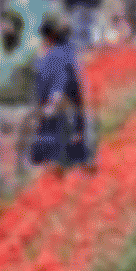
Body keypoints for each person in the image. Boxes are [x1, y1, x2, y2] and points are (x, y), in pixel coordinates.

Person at [0, 7, 37, 193]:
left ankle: (17, 179)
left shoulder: (28, 51)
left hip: (20, 105)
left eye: (8, 24)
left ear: (17, 27)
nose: (4, 27)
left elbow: (35, 78)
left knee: (17, 146)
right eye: (2, 24)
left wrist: (34, 106)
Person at [30, 12, 92, 172]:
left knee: (59, 152)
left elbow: (61, 82)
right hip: (58, 107)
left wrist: (51, 104)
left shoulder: (58, 55)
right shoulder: (59, 53)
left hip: (58, 109)